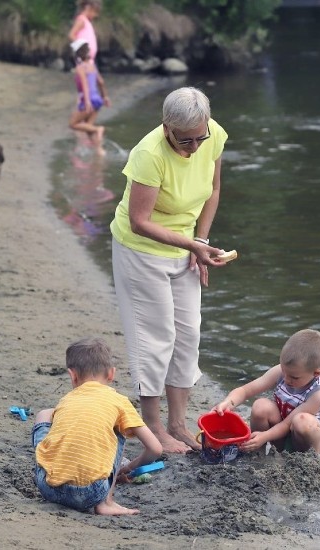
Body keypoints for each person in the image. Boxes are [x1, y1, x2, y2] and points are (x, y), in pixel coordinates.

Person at [110, 87, 231, 454]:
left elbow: (213, 189)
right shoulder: (148, 154)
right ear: (167, 128)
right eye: (185, 140)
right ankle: (154, 426)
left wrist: (201, 239)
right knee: (156, 335)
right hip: (142, 251)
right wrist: (191, 245)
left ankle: (178, 424)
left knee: (188, 332)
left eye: (200, 137)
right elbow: (138, 222)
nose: (194, 147)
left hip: (185, 246)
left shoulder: (213, 136)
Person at [32, 337, 163, 516]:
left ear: (72, 375)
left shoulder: (67, 399)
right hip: (89, 494)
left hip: (47, 488)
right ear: (111, 374)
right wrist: (128, 468)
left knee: (44, 414)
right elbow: (155, 449)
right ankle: (106, 502)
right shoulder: (119, 402)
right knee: (119, 427)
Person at [213, 329, 320, 455]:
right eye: (283, 371)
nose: (286, 379)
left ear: (316, 373)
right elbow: (245, 390)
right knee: (261, 406)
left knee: (302, 421)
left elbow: (288, 424)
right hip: (281, 431)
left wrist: (265, 436)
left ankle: (308, 460)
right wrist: (228, 402)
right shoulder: (283, 372)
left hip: (305, 438)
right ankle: (257, 452)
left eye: (294, 377)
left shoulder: (319, 393)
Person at [69, 39, 110, 147]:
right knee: (88, 128)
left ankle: (99, 129)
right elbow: (101, 82)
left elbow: (85, 85)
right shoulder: (92, 66)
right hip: (97, 100)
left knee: (73, 124)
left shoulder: (80, 68)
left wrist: (87, 102)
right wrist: (105, 97)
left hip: (89, 100)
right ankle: (99, 152)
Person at [68, 0, 101, 64]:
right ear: (88, 8)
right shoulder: (81, 20)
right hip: (84, 58)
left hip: (89, 60)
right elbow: (71, 35)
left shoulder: (87, 22)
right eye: (95, 12)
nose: (96, 15)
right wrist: (83, 49)